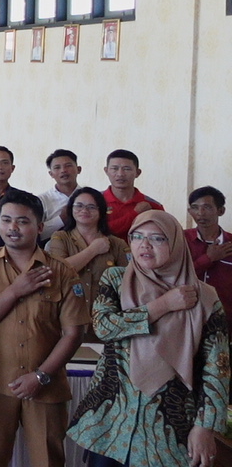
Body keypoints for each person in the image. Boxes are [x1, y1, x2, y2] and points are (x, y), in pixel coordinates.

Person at [67, 210, 230, 467]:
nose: (144, 245)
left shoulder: (204, 297)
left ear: (175, 243)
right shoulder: (116, 279)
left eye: (157, 238)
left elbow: (217, 368)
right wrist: (163, 305)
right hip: (111, 419)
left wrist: (205, 426)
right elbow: (104, 327)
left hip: (171, 425)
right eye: (137, 236)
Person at [0, 189, 88, 467]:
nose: (13, 228)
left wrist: (41, 376)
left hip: (46, 385)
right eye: (6, 220)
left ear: (40, 227)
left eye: (22, 221)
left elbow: (74, 333)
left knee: (48, 460)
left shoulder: (62, 271)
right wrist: (14, 291)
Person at [47, 187, 129, 339]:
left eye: (91, 207)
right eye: (79, 205)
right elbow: (58, 271)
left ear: (101, 211)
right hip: (68, 320)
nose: (84, 210)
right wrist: (93, 250)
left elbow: (128, 281)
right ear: (71, 209)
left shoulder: (117, 244)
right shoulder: (60, 238)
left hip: (107, 322)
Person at [184, 186, 232, 316]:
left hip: (226, 317)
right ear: (189, 211)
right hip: (189, 316)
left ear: (221, 211)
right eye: (195, 207)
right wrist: (208, 259)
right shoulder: (181, 240)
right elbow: (176, 277)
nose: (200, 213)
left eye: (207, 207)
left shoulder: (230, 243)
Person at [103, 149, 163, 238]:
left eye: (127, 169)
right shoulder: (95, 202)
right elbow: (99, 231)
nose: (120, 174)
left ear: (138, 173)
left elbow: (163, 236)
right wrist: (135, 213)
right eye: (115, 168)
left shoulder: (153, 206)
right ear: (106, 171)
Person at [38, 149, 81, 239]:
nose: (63, 170)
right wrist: (61, 219)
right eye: (57, 167)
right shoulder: (42, 200)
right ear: (51, 174)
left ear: (78, 169)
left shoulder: (90, 197)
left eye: (68, 166)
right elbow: (36, 234)